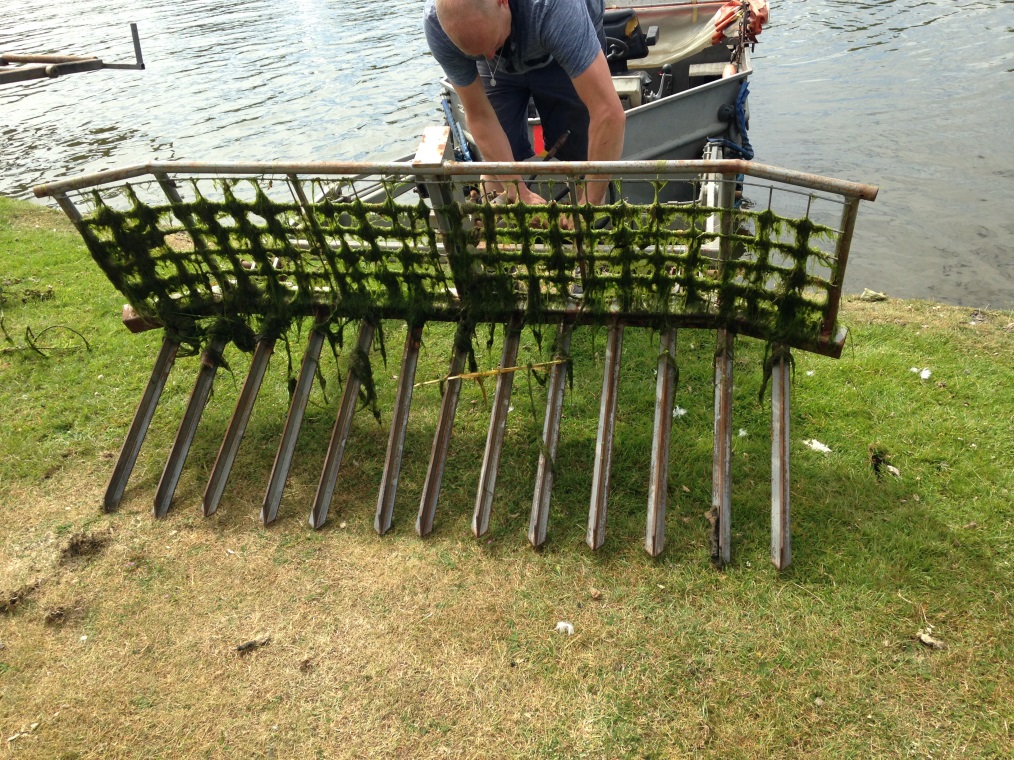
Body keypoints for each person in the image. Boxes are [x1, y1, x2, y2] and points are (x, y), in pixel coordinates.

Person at [423, 0, 625, 206]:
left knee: (581, 154)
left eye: (492, 45)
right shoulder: (437, 25)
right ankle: (497, 228)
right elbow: (479, 115)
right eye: (475, 53)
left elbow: (607, 112)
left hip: (560, 38)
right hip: (498, 56)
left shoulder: (553, 7)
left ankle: (585, 221)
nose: (490, 56)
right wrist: (517, 191)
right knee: (495, 167)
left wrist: (589, 204)